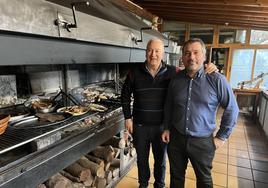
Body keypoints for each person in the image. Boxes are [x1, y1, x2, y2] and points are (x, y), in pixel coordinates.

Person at [121, 38, 218, 188]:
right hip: (140, 125)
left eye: (157, 51)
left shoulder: (173, 72)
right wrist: (127, 117)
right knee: (141, 159)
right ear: (146, 52)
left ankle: (159, 185)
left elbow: (192, 70)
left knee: (161, 160)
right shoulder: (134, 73)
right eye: (150, 50)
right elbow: (125, 95)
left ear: (163, 54)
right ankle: (143, 184)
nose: (153, 54)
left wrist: (210, 67)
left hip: (163, 127)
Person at [162, 38, 239, 188]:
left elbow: (232, 108)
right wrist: (166, 127)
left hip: (202, 142)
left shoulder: (216, 79)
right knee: (176, 178)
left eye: (196, 53)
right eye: (187, 53)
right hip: (176, 139)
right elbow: (169, 104)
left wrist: (221, 137)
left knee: (204, 181)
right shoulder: (176, 79)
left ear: (204, 56)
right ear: (182, 57)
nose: (191, 57)